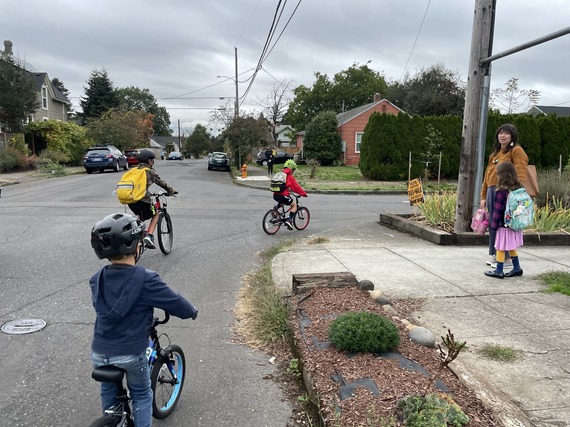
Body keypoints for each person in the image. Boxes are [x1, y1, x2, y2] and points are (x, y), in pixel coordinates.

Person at [89, 213, 198, 427]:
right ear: (137, 245)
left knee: (108, 391)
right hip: (130, 353)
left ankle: (113, 418)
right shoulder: (146, 279)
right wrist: (191, 311)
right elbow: (174, 302)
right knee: (141, 394)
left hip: (99, 352)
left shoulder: (97, 279)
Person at [480, 124, 528, 268]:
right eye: (500, 133)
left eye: (506, 133)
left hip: (506, 192)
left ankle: (506, 259)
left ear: (512, 136)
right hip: (492, 191)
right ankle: (497, 255)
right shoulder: (494, 154)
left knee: (504, 225)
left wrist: (513, 192)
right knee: (495, 224)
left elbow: (520, 171)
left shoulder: (516, 151)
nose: (503, 136)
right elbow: (487, 177)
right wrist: (483, 196)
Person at [128, 149, 177, 249]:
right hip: (143, 200)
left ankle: (138, 234)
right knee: (156, 214)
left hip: (130, 200)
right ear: (149, 161)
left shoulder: (133, 171)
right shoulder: (149, 171)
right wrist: (171, 190)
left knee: (140, 216)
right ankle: (149, 236)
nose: (153, 162)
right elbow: (161, 182)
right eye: (152, 160)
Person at [484, 162, 525, 279]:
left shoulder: (501, 191)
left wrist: (494, 225)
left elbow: (497, 211)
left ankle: (499, 270)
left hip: (503, 225)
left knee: (500, 247)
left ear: (502, 176)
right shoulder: (519, 188)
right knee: (511, 246)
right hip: (515, 224)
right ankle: (517, 268)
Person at [273, 159, 308, 229]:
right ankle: (289, 220)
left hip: (275, 194)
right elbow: (296, 187)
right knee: (294, 205)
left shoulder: (281, 174)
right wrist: (303, 194)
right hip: (283, 195)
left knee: (282, 202)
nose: (293, 172)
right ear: (291, 169)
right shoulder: (289, 176)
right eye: (293, 170)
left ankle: (275, 209)